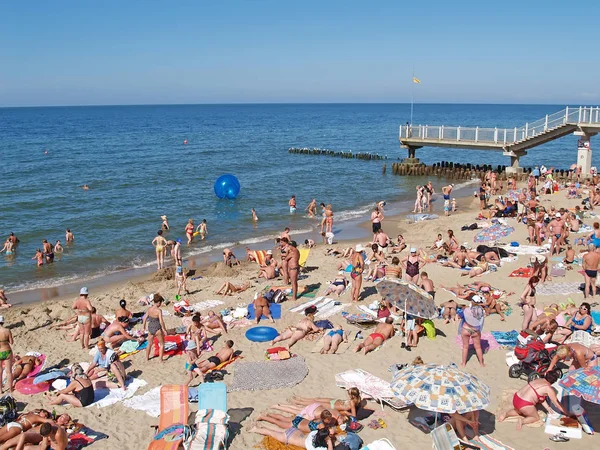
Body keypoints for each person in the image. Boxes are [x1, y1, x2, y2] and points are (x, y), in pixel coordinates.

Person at [498, 374, 568, 430]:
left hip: (516, 397)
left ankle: (506, 414)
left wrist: (548, 408)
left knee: (518, 411)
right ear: (553, 382)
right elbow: (557, 404)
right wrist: (568, 413)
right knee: (535, 417)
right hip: (524, 403)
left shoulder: (538, 380)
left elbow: (541, 398)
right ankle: (522, 421)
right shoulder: (548, 389)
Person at [290, 388, 362, 417]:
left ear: (352, 395)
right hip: (336, 401)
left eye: (348, 393)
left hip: (333, 406)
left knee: (316, 403)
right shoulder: (356, 399)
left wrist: (345, 412)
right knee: (317, 399)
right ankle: (302, 399)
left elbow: (354, 415)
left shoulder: (352, 402)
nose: (347, 393)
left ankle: (299, 402)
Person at [143, 294, 167, 362]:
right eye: (160, 303)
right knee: (162, 344)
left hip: (150, 327)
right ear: (158, 302)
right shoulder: (159, 311)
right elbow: (161, 321)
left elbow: (144, 318)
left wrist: (144, 327)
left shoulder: (149, 309)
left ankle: (147, 358)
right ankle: (160, 359)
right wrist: (164, 329)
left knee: (149, 344)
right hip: (157, 328)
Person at [0, 317, 13, 394]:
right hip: (7, 351)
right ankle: (11, 389)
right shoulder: (7, 330)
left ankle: (0, 390)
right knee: (9, 371)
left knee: (0, 371)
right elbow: (11, 342)